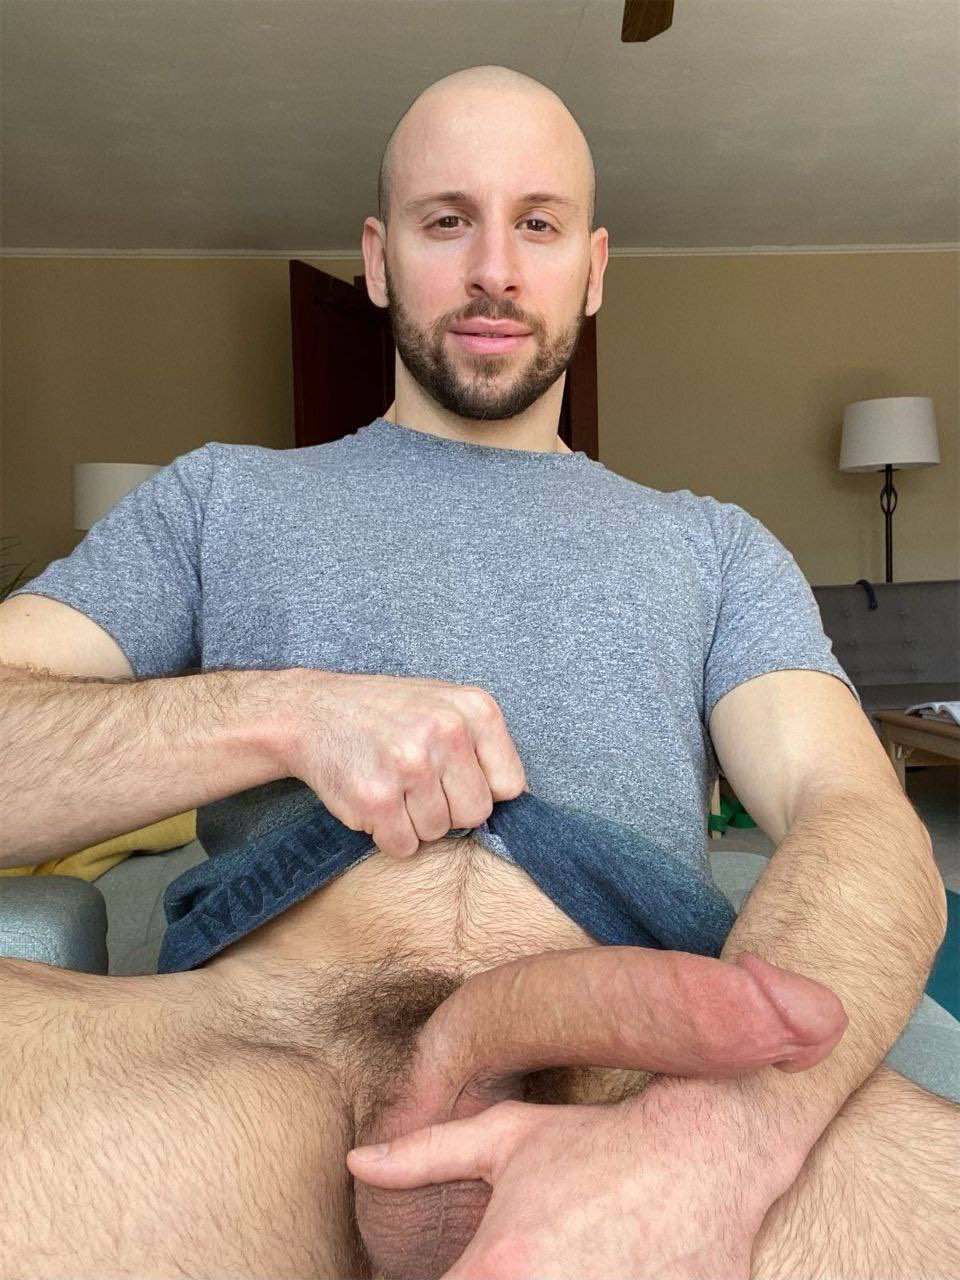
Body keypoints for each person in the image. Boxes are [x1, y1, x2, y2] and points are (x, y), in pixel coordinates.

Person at [0, 61, 956, 1280]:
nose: (495, 268)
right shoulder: (217, 500)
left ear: (594, 269)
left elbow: (858, 816)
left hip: (642, 1082)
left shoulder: (713, 547)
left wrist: (716, 1145)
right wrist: (288, 714)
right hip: (245, 1054)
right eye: (447, 220)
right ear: (378, 259)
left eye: (538, 225)